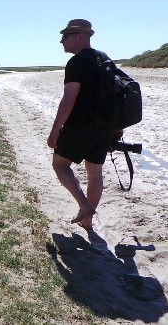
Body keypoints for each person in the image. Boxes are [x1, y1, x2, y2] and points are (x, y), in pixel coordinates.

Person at [47, 19, 115, 231]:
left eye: (65, 36)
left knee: (60, 164)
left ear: (80, 36)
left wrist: (55, 130)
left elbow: (68, 100)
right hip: (105, 126)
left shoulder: (76, 63)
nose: (61, 41)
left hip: (81, 124)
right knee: (95, 172)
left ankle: (85, 207)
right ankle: (88, 220)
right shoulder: (104, 58)